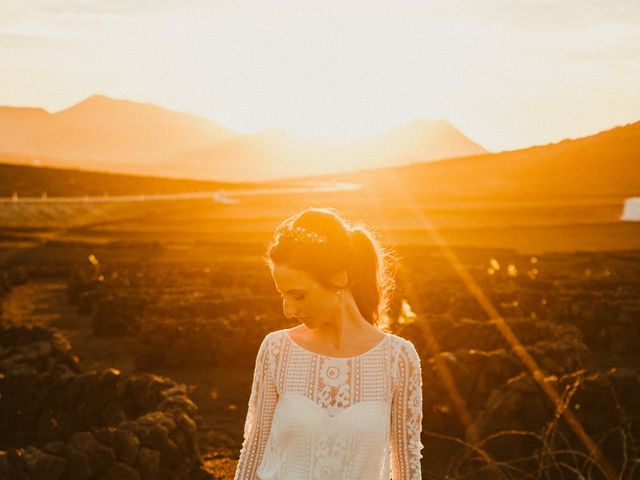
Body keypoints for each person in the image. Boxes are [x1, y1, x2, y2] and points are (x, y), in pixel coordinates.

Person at [234, 207, 423, 479]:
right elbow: (253, 452)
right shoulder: (276, 351)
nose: (287, 309)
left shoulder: (398, 358)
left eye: (298, 295)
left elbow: (407, 469)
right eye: (282, 295)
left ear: (339, 278)